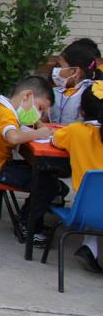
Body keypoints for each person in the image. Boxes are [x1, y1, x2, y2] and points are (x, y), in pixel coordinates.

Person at [0, 76, 62, 246]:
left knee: (49, 179)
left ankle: (33, 220)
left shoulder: (4, 109)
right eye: (40, 108)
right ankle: (26, 225)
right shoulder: (4, 115)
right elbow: (13, 137)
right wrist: (40, 133)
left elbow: (19, 128)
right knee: (48, 185)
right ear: (27, 96)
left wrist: (37, 123)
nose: (39, 114)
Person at [51, 81, 103, 272]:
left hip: (84, 210)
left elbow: (54, 140)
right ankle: (90, 246)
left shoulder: (75, 131)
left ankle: (91, 246)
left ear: (81, 110)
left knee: (95, 201)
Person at [50, 40, 99, 126]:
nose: (56, 70)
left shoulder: (92, 93)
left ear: (75, 71)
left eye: (60, 66)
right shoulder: (54, 92)